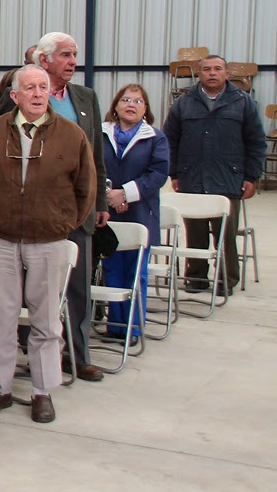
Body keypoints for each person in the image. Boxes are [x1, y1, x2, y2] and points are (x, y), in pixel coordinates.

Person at [0, 65, 96, 424]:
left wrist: (62, 223)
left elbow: (86, 187)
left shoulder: (71, 134)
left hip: (49, 238)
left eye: (43, 87)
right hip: (2, 237)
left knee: (46, 318)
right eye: (30, 88)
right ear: (15, 95)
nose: (38, 94)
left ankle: (42, 391)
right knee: (3, 315)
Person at [0, 32, 108, 383]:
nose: (73, 61)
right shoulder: (18, 95)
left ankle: (78, 355)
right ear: (44, 60)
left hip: (75, 212)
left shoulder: (86, 97)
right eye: (65, 54)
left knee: (77, 286)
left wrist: (98, 202)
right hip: (29, 214)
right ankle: (35, 355)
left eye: (74, 54)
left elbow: (96, 156)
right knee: (33, 289)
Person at [163, 55, 266, 296]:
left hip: (229, 180)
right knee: (195, 235)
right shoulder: (184, 103)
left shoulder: (242, 102)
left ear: (227, 74)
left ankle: (226, 280)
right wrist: (174, 173)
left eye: (217, 69)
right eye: (207, 69)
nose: (212, 73)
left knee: (225, 236)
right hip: (192, 179)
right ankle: (195, 278)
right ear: (199, 74)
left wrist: (251, 176)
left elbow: (256, 142)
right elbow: (170, 141)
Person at [102, 84, 169, 341]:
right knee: (112, 270)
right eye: (126, 100)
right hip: (108, 213)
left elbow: (158, 173)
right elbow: (93, 166)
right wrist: (110, 194)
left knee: (135, 273)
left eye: (138, 101)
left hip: (140, 213)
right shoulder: (101, 133)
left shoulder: (155, 138)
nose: (131, 105)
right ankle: (114, 326)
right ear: (116, 106)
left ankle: (132, 328)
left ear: (145, 109)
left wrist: (126, 194)